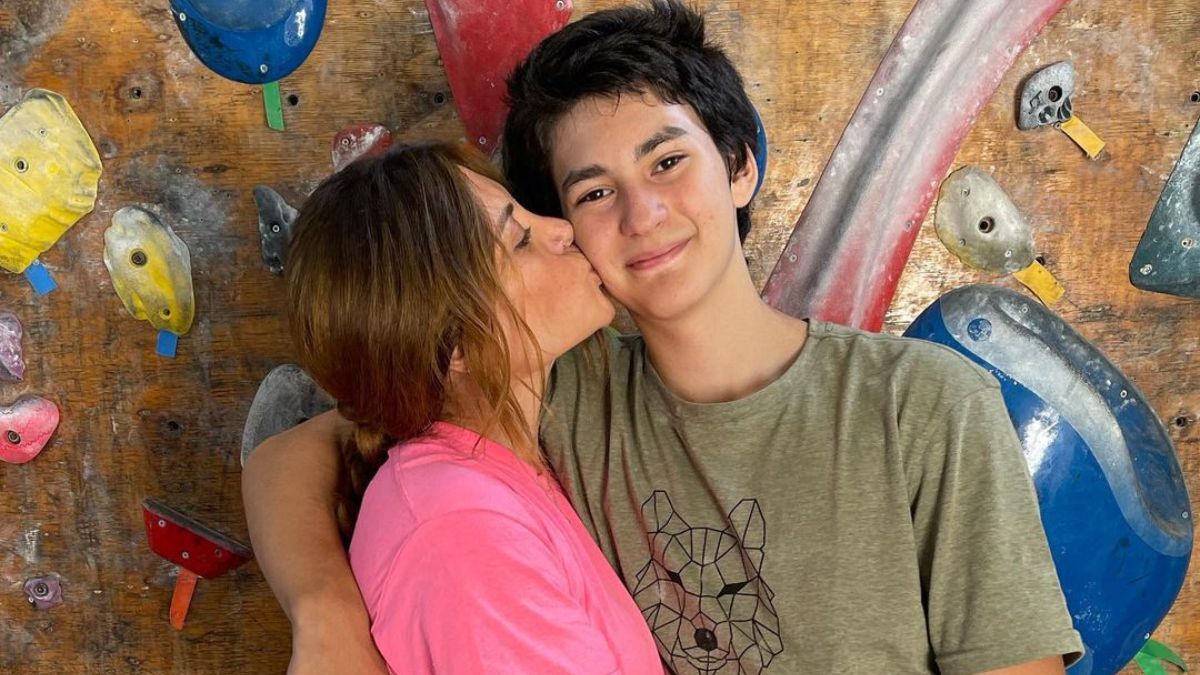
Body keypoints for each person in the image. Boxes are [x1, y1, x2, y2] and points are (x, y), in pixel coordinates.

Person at [243, 2, 1085, 673]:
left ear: (739, 165)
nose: (642, 214)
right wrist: (327, 615)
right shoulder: (553, 386)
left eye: (668, 162)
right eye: (593, 192)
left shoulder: (925, 405)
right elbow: (297, 455)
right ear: (564, 226)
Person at [269, 141, 663, 674]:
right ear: (454, 346)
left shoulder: (486, 473)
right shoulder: (463, 530)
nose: (561, 229)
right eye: (520, 239)